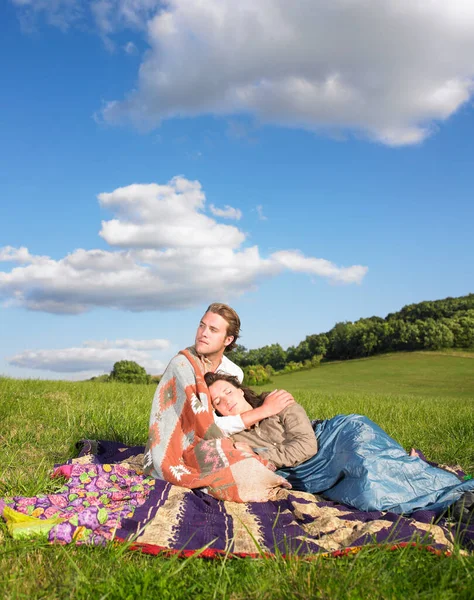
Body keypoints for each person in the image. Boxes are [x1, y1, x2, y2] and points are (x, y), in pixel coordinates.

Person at [204, 371, 474, 520]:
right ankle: (451, 501)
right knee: (369, 495)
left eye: (227, 391)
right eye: (217, 401)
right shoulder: (233, 440)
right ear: (215, 411)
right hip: (311, 475)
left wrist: (263, 455)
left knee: (371, 462)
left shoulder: (278, 401)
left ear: (239, 389)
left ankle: (456, 495)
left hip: (335, 437)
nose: (225, 400)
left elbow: (306, 445)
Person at [143, 303, 293, 503]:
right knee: (229, 461)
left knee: (244, 456)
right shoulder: (182, 365)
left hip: (219, 438)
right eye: (202, 326)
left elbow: (230, 417)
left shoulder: (234, 372)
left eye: (213, 330)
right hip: (184, 440)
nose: (203, 333)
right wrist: (263, 411)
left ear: (228, 339)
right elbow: (209, 424)